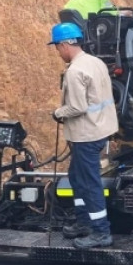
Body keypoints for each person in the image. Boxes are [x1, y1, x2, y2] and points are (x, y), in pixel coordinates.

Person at [48, 22, 119, 249]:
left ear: (66, 44)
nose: (58, 52)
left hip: (86, 134)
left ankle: (100, 232)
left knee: (89, 183)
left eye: (58, 47)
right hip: (100, 129)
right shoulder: (95, 62)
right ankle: (83, 221)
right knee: (77, 177)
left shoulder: (75, 71)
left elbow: (77, 107)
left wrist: (58, 112)